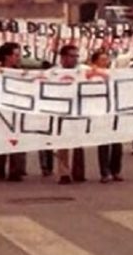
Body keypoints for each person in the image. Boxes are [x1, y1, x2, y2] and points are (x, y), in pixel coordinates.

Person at [0, 42, 28, 182]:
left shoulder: (21, 73)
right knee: (0, 139)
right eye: (16, 55)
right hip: (0, 111)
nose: (18, 58)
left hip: (16, 110)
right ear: (6, 56)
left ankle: (16, 170)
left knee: (17, 139)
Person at [53, 45, 88, 185]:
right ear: (63, 57)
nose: (75, 59)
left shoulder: (82, 71)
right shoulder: (54, 73)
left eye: (76, 56)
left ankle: (79, 172)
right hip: (61, 111)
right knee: (63, 144)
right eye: (72, 56)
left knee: (79, 142)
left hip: (78, 110)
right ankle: (64, 173)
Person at [89, 50, 124, 183]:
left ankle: (116, 170)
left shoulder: (114, 74)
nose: (105, 62)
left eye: (106, 59)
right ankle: (105, 172)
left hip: (114, 111)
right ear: (95, 61)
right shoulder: (90, 75)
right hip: (100, 113)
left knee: (117, 143)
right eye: (102, 59)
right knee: (104, 143)